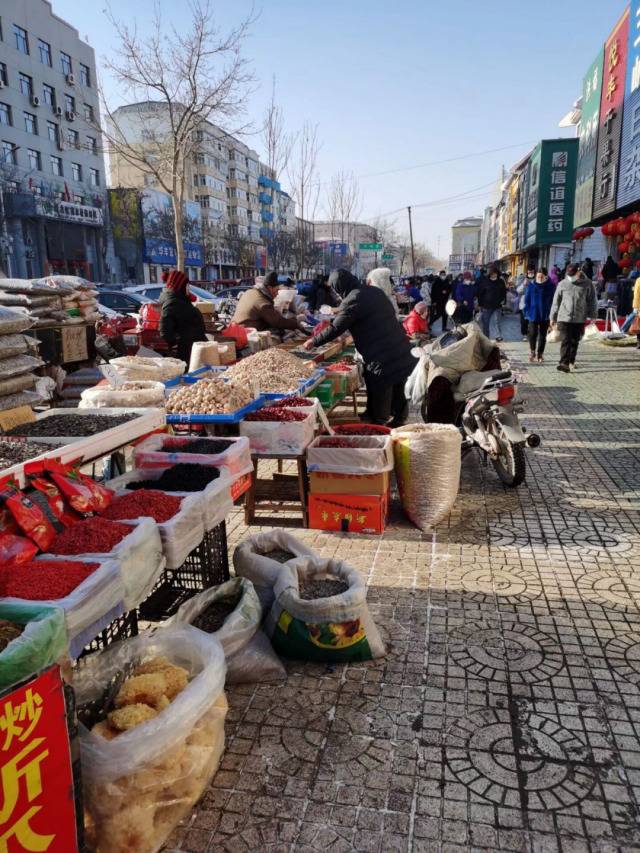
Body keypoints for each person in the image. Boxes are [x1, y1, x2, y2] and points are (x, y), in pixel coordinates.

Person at [304, 268, 416, 427]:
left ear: (339, 286)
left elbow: (336, 328)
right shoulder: (374, 292)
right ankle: (397, 420)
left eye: (335, 289)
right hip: (399, 347)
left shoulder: (353, 299)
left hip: (381, 355)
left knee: (381, 389)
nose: (335, 293)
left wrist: (313, 341)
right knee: (398, 385)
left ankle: (379, 424)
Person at [549, 262, 597, 373]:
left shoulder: (587, 284)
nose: (571, 277)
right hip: (564, 317)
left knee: (575, 340)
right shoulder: (562, 284)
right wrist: (552, 317)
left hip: (579, 317)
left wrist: (593, 315)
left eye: (573, 274)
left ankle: (571, 361)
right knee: (566, 340)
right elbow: (556, 302)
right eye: (569, 275)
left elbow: (592, 301)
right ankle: (563, 363)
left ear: (578, 271)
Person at [159, 270, 207, 365]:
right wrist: (179, 343)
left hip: (194, 348)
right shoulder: (172, 302)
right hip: (187, 351)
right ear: (180, 286)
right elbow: (165, 330)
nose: (188, 288)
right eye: (187, 285)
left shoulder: (181, 299)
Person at [232, 271, 301, 333]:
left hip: (236, 328)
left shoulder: (250, 291)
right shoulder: (263, 303)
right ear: (270, 288)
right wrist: (296, 322)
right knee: (278, 334)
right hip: (245, 333)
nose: (277, 293)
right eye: (276, 290)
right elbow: (278, 322)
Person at [524, 268, 555, 363]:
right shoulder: (531, 285)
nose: (540, 278)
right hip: (533, 313)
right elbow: (527, 299)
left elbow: (554, 301)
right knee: (532, 333)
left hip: (545, 314)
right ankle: (532, 351)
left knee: (542, 335)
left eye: (542, 277)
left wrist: (553, 315)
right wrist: (527, 312)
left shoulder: (550, 286)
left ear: (546, 277)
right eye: (538, 276)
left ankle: (540, 354)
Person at [477, 265, 507, 340]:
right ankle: (486, 337)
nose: (494, 275)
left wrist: (503, 300)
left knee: (497, 322)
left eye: (495, 273)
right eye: (492, 274)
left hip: (497, 305)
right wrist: (480, 304)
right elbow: (480, 293)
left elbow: (504, 292)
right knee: (485, 323)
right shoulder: (485, 282)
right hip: (486, 306)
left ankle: (498, 336)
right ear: (489, 274)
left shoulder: (501, 281)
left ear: (497, 273)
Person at [517, 266, 535, 340]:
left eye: (532, 272)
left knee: (532, 321)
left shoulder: (537, 279)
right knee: (524, 321)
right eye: (529, 272)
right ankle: (524, 334)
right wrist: (524, 284)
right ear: (527, 272)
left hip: (533, 304)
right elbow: (518, 290)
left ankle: (531, 334)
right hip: (524, 304)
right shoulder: (522, 279)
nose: (531, 273)